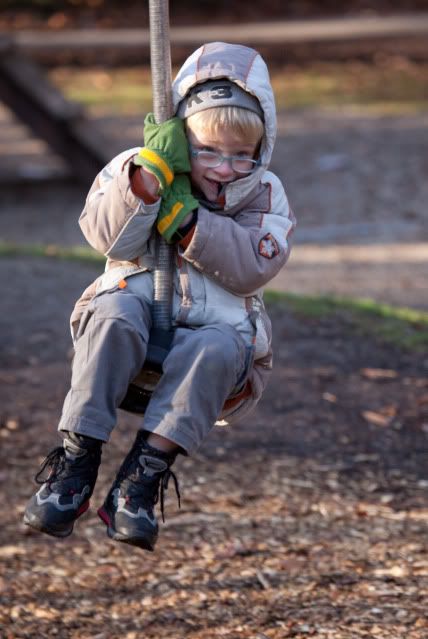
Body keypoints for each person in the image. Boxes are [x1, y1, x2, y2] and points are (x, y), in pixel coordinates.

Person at [24, 42, 296, 551]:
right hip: (133, 335)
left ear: (262, 149)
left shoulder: (265, 193)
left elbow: (253, 265)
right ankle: (76, 462)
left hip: (216, 350)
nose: (224, 167)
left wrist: (189, 221)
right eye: (207, 150)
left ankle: (141, 480)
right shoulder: (139, 165)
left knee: (216, 345)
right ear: (178, 136)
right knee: (113, 310)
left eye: (242, 155)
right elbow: (105, 237)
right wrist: (148, 183)